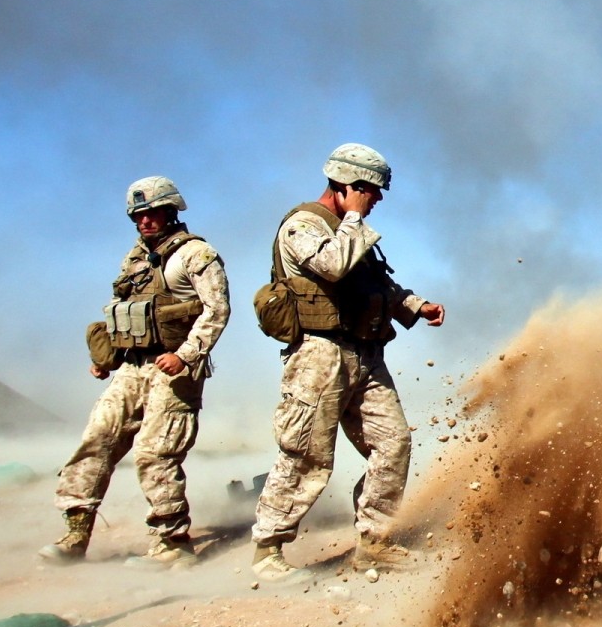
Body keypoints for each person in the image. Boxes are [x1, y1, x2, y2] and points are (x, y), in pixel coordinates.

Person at [250, 143, 444, 582]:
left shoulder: (350, 232)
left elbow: (377, 286)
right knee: (307, 455)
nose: (377, 199)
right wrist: (353, 217)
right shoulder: (303, 225)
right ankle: (268, 549)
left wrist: (416, 306)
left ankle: (375, 543)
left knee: (393, 444)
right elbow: (333, 266)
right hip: (319, 356)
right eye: (371, 191)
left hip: (365, 354)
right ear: (348, 185)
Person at [41, 176, 230, 566]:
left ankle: (172, 544)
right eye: (138, 216)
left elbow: (217, 310)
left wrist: (186, 356)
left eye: (152, 213)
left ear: (171, 211)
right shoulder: (136, 259)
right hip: (133, 366)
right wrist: (106, 358)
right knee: (97, 438)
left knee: (155, 453)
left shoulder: (196, 254)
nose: (144, 221)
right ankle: (75, 534)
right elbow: (123, 311)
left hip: (174, 369)